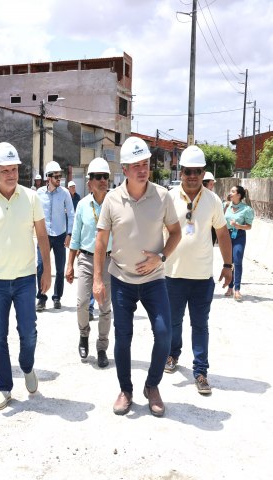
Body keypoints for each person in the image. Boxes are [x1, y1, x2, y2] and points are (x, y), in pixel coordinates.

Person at [94, 136, 181, 417]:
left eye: (145, 164)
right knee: (123, 338)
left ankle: (152, 385)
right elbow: (100, 241)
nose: (142, 169)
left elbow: (176, 232)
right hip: (121, 279)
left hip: (154, 279)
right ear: (125, 169)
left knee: (164, 333)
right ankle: (126, 390)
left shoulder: (162, 196)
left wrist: (162, 256)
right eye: (136, 165)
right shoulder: (112, 199)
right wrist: (97, 279)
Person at [0, 142, 51, 411]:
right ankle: (4, 387)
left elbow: (41, 236)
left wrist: (47, 270)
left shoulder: (31, 198)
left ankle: (27, 367)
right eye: (5, 170)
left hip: (26, 278)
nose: (11, 175)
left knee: (28, 333)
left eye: (14, 169)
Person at [163, 146, 234, 395]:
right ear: (180, 172)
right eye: (188, 171)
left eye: (197, 171)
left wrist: (228, 265)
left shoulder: (213, 201)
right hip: (172, 275)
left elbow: (223, 234)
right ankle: (172, 355)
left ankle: (201, 371)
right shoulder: (169, 198)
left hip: (202, 277)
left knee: (200, 325)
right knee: (173, 322)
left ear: (204, 172)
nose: (192, 175)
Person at [65, 158, 113, 369]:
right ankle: (84, 335)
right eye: (98, 177)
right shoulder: (83, 205)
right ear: (89, 181)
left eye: (105, 177)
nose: (102, 180)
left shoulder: (115, 204)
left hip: (110, 261)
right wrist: (69, 264)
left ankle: (102, 347)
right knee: (82, 302)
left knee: (105, 307)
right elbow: (75, 237)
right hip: (85, 259)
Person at [36, 161, 75, 311]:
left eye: (60, 176)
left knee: (59, 269)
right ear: (48, 177)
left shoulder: (65, 193)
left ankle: (57, 297)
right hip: (43, 236)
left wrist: (69, 234)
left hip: (60, 236)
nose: (59, 178)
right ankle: (41, 298)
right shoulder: (39, 194)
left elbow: (71, 215)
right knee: (41, 267)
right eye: (56, 176)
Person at [224, 185, 254, 301]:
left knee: (237, 261)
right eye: (230, 191)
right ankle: (229, 287)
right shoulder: (226, 205)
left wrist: (238, 226)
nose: (230, 193)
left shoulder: (247, 209)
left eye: (233, 191)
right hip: (227, 236)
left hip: (239, 236)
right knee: (228, 262)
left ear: (239, 195)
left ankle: (237, 289)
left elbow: (249, 226)